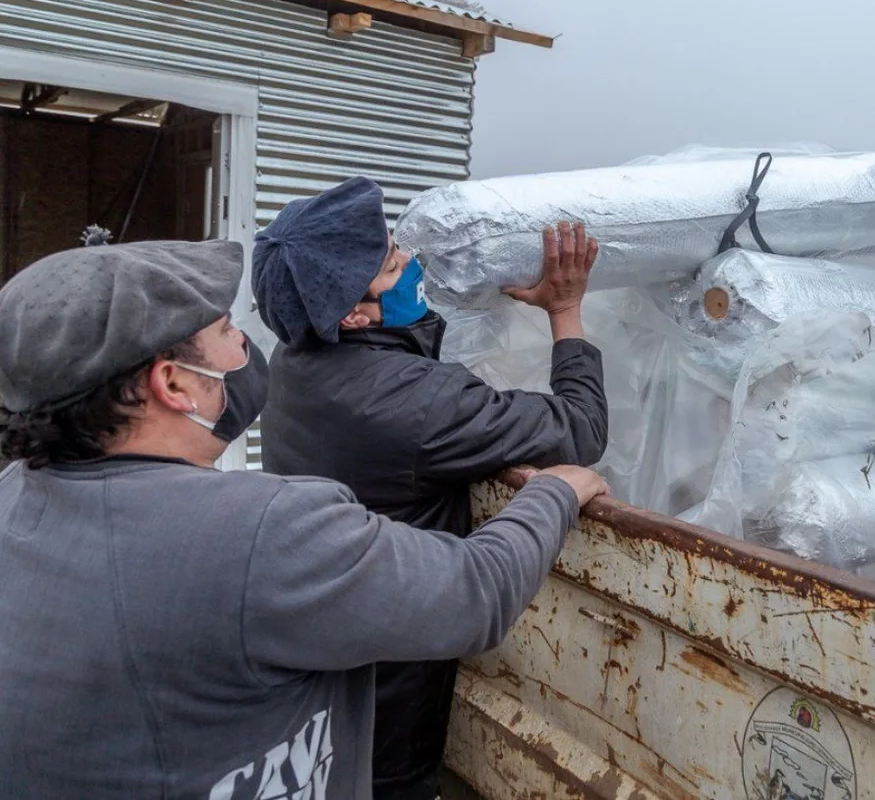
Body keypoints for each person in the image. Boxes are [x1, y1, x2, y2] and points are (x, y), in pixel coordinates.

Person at [0, 235, 608, 799]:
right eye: (225, 330)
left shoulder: (14, 496)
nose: (245, 346)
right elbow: (476, 592)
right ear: (173, 384)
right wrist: (552, 492)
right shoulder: (261, 531)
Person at [251, 176, 609, 800]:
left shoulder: (297, 362)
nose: (410, 262)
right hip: (392, 684)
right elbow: (579, 428)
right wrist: (566, 310)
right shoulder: (412, 404)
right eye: (392, 265)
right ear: (352, 315)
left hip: (328, 659)